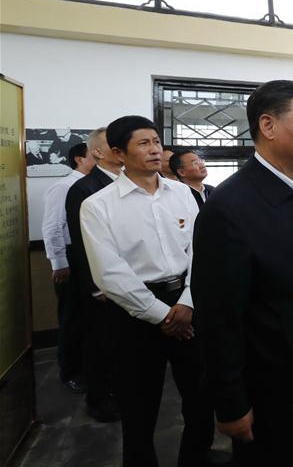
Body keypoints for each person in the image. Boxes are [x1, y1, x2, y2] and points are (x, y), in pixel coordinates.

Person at [191, 80, 293, 466]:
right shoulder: (229, 207)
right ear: (268, 126)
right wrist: (231, 404)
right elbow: (219, 318)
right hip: (276, 392)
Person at [80, 116, 214, 467]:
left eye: (156, 141)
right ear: (117, 153)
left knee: (200, 397)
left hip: (187, 301)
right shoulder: (98, 205)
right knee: (139, 406)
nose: (155, 149)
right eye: (143, 143)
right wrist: (163, 316)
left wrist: (186, 303)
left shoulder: (182, 193)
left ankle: (196, 458)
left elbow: (201, 252)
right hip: (133, 314)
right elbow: (109, 272)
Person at [66, 127, 125, 422]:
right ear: (99, 152)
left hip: (129, 279)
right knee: (100, 343)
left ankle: (120, 392)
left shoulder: (131, 183)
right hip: (100, 284)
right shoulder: (85, 188)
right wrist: (94, 286)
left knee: (121, 345)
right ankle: (99, 399)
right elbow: (81, 243)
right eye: (114, 145)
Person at [41, 142, 95, 393]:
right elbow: (52, 227)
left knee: (88, 318)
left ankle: (88, 368)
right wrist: (59, 263)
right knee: (72, 317)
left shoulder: (93, 185)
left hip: (89, 255)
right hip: (70, 258)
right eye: (94, 155)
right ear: (78, 159)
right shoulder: (64, 186)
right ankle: (71, 372)